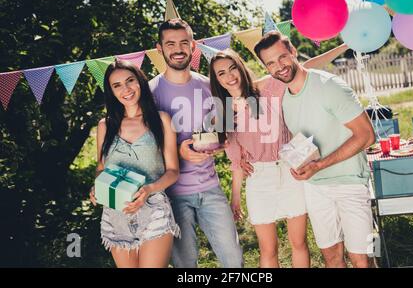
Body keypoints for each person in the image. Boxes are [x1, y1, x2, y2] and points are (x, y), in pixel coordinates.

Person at [208, 45, 348, 268]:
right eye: (221, 73)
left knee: (299, 242)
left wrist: (345, 45)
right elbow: (236, 162)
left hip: (290, 170)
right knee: (268, 249)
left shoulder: (266, 88)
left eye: (232, 68)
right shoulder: (224, 113)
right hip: (259, 179)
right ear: (216, 80)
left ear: (241, 68)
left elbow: (306, 68)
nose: (229, 76)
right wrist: (235, 199)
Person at [254, 31, 376, 268]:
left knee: (362, 259)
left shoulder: (328, 86)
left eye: (282, 57)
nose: (278, 66)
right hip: (315, 188)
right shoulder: (285, 99)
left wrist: (319, 165)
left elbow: (366, 135)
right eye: (270, 63)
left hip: (351, 183)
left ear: (293, 52)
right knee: (331, 257)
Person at [149, 19, 243, 268]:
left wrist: (225, 143)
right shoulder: (149, 93)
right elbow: (144, 147)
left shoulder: (210, 85)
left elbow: (227, 128)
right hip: (172, 195)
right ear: (159, 48)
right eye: (170, 43)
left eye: (183, 42)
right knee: (185, 264)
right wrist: (179, 153)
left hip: (211, 188)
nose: (178, 49)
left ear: (193, 46)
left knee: (234, 261)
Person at [89, 60, 180, 268]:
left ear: (140, 81)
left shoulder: (161, 119)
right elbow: (101, 168)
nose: (126, 89)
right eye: (117, 85)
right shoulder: (105, 125)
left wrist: (149, 189)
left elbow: (173, 171)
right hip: (115, 213)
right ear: (111, 92)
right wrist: (97, 186)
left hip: (154, 208)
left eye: (130, 81)